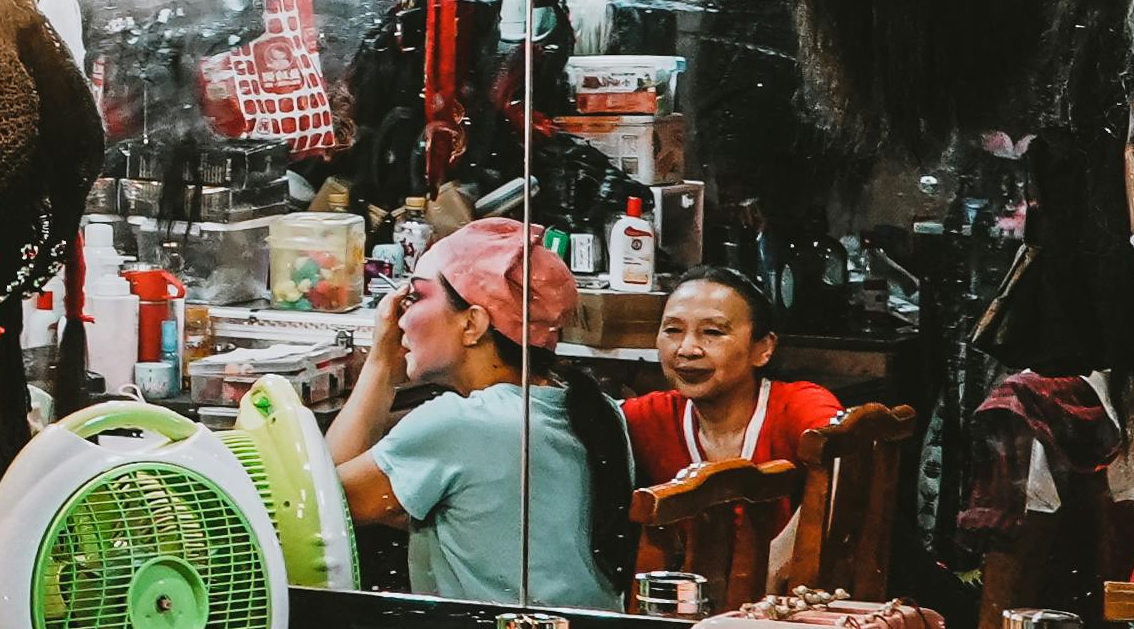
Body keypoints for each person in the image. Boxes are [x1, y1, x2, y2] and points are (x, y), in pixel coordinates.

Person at [328, 215, 630, 606]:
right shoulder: (595, 408)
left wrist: (381, 364)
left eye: (415, 298)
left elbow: (320, 510)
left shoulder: (460, 426)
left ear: (473, 323)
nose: (399, 317)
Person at [627, 271, 848, 495]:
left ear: (763, 348)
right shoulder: (650, 417)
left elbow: (849, 467)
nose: (687, 349)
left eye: (712, 332)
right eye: (673, 330)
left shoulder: (799, 406)